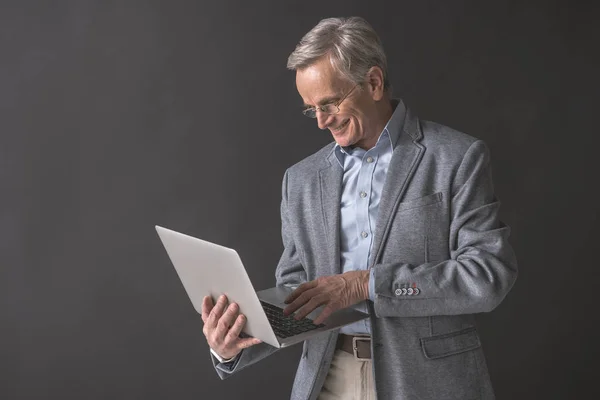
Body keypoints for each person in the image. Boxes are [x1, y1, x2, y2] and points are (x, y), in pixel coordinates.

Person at [201, 16, 517, 400]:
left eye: (329, 103)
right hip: (327, 380)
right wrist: (233, 343)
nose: (320, 122)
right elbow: (298, 295)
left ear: (373, 82)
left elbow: (486, 277)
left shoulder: (456, 158)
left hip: (428, 382)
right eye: (310, 109)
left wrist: (365, 284)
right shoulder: (300, 179)